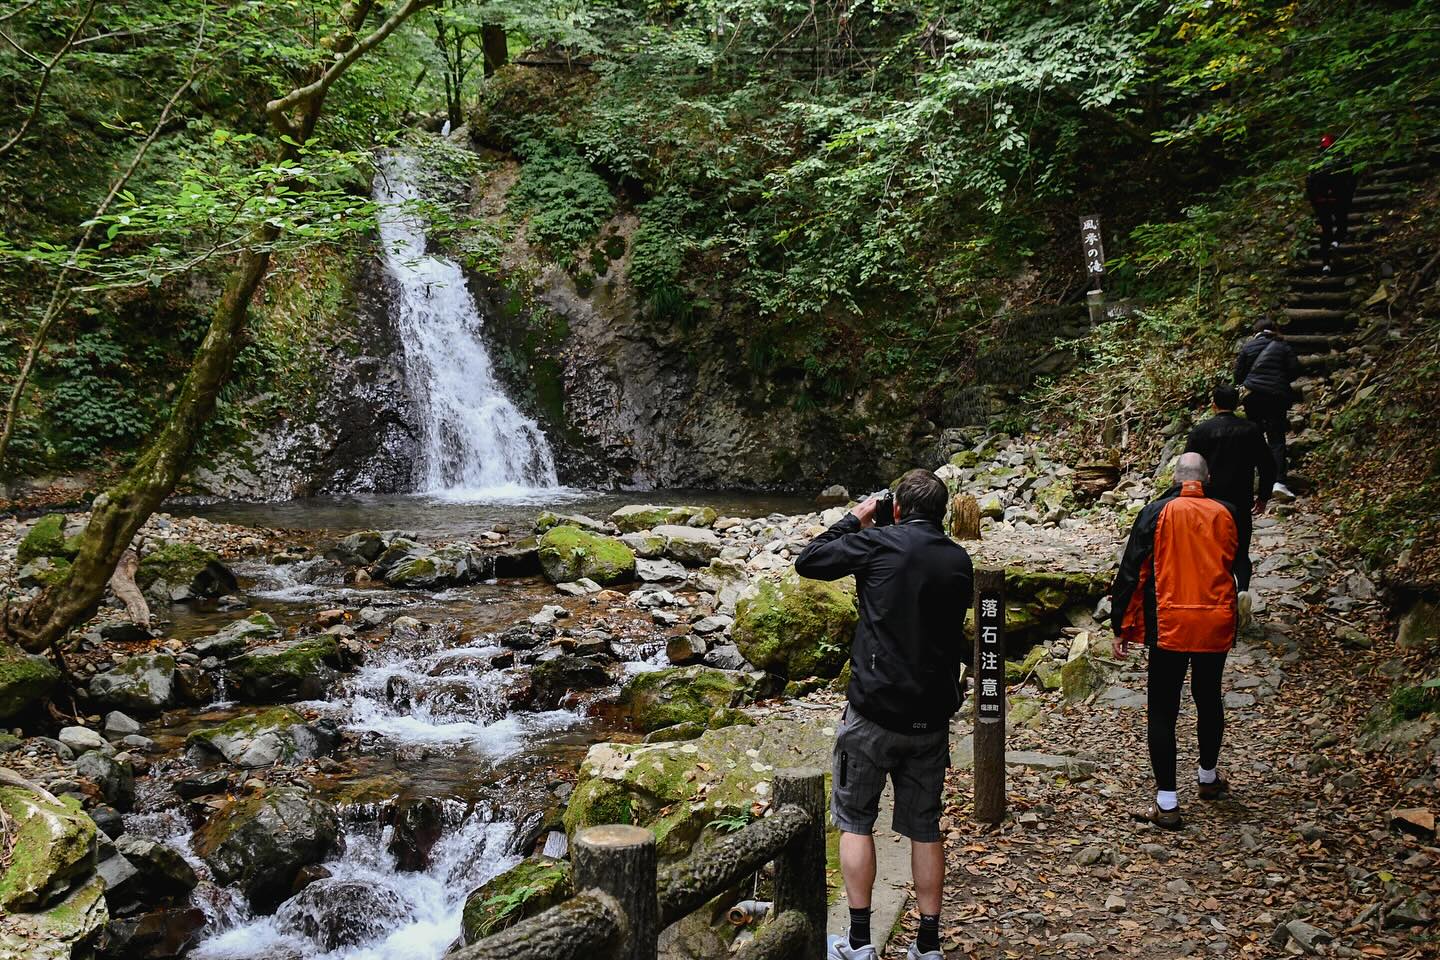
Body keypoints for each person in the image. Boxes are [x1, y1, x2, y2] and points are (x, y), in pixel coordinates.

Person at [796, 469, 974, 960]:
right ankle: (928, 944)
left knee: (856, 821)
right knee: (925, 827)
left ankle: (858, 942)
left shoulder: (877, 545)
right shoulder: (958, 559)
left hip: (874, 711)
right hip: (930, 717)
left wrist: (856, 518)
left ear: (896, 508)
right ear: (942, 512)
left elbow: (808, 561)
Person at [1110, 453, 1241, 829]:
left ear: (1174, 478)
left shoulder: (1155, 512)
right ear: (1207, 478)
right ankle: (1208, 777)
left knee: (1163, 709)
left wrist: (1121, 625)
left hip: (1169, 622)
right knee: (1208, 696)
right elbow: (1237, 565)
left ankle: (1167, 802)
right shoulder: (1228, 512)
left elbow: (1132, 572)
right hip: (1214, 621)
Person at [1183, 382, 1275, 593]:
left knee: (1210, 550)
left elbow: (1188, 466)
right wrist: (1263, 497)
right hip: (1241, 499)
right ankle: (1242, 592)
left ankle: (1217, 595)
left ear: (1214, 405)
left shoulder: (1200, 432)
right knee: (1241, 552)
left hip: (1207, 501)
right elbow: (1267, 465)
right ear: (1236, 404)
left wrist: (1185, 498)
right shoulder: (1251, 430)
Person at [1234, 318, 1300, 500]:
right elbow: (1295, 370)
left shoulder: (1248, 347)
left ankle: (1249, 481)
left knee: (1253, 437)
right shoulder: (1283, 346)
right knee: (1276, 439)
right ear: (1273, 330)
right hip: (1275, 397)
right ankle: (1278, 482)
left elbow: (1238, 376)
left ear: (1256, 332)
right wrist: (1280, 379)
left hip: (1253, 397)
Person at [1306, 132, 1358, 274]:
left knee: (1326, 230)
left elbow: (1309, 185)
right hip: (1337, 200)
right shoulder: (1342, 160)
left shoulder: (1315, 163)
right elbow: (1351, 180)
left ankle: (1325, 265)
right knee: (1341, 224)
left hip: (1321, 202)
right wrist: (1347, 198)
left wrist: (1315, 202)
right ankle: (1335, 244)